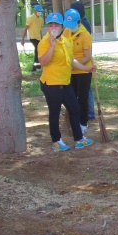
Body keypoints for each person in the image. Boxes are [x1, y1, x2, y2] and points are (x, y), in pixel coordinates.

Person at [37, 12, 93, 151]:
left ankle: (79, 139)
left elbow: (72, 60)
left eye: (56, 25)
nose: (53, 28)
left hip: (65, 83)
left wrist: (87, 69)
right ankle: (56, 141)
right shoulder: (44, 42)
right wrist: (51, 46)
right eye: (50, 25)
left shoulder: (66, 41)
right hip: (51, 84)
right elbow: (43, 62)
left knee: (75, 109)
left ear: (62, 27)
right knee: (54, 113)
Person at [63, 8, 93, 136]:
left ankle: (83, 123)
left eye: (72, 25)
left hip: (83, 72)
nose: (70, 28)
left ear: (79, 22)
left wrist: (75, 65)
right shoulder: (66, 31)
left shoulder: (85, 35)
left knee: (82, 98)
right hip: (70, 71)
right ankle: (73, 122)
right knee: (71, 98)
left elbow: (88, 56)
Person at [69, 0, 95, 120]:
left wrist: (75, 65)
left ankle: (89, 113)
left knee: (85, 93)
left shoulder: (84, 26)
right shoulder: (71, 28)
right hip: (75, 67)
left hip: (83, 67)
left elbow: (87, 54)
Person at [21, 4, 44, 72]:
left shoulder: (41, 19)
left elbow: (40, 30)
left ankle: (38, 67)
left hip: (39, 38)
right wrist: (22, 39)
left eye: (41, 11)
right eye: (39, 11)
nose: (40, 12)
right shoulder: (30, 18)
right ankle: (35, 69)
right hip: (33, 37)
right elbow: (26, 29)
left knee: (38, 51)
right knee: (37, 51)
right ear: (35, 11)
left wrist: (42, 39)